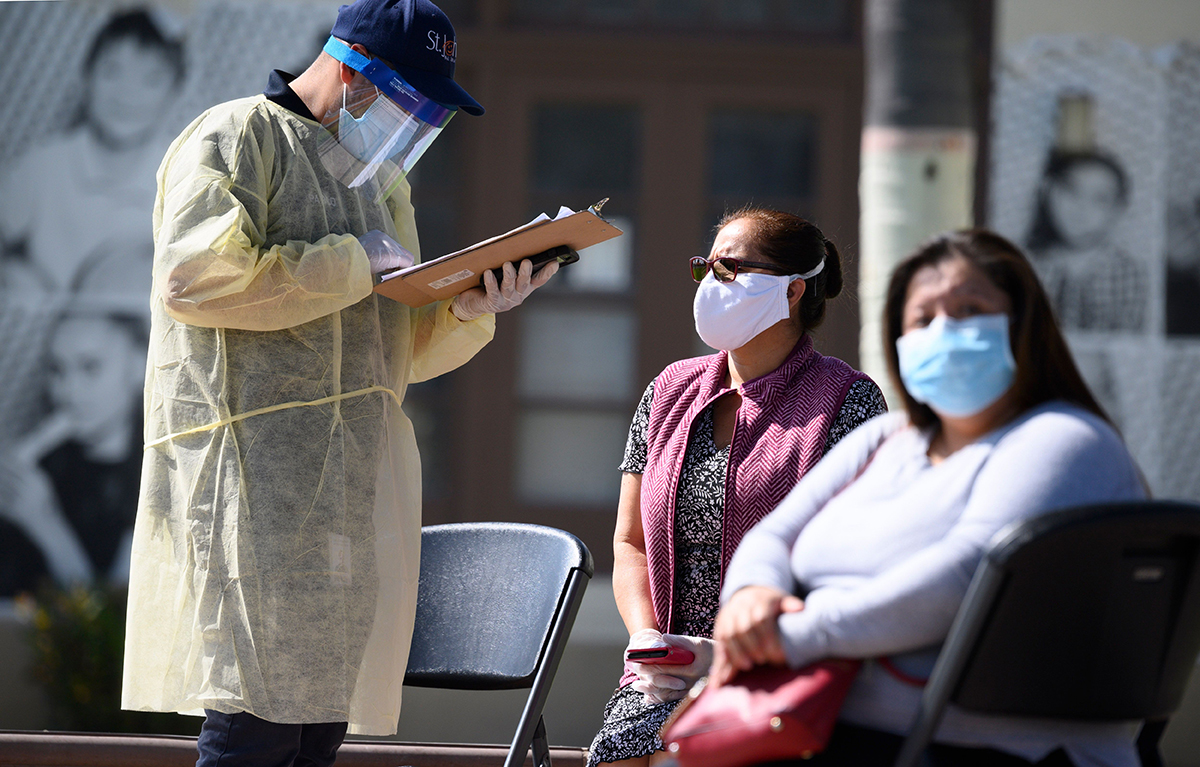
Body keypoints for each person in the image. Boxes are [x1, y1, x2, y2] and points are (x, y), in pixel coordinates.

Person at [119, 1, 557, 764]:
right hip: (247, 493)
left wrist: (469, 308)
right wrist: (353, 259)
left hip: (345, 503)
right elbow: (194, 278)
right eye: (409, 100)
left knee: (315, 734)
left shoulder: (378, 183)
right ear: (355, 69)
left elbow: (394, 352)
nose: (413, 122)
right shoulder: (234, 138)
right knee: (251, 729)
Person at [713, 230, 1147, 767]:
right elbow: (774, 534)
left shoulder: (1065, 440)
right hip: (807, 721)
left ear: (1024, 326)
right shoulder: (884, 439)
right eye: (923, 319)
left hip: (969, 750)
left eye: (970, 310)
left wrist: (792, 637)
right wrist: (752, 594)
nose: (946, 331)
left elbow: (969, 573)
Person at [587, 208, 887, 767]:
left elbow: (855, 563)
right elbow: (629, 541)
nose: (710, 285)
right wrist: (648, 642)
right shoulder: (668, 391)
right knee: (621, 755)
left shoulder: (851, 400)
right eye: (706, 268)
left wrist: (735, 650)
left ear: (793, 291)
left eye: (730, 270)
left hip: (780, 670)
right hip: (661, 675)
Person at [0, 8, 183, 290]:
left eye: (151, 80)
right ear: (85, 77)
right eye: (112, 71)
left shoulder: (180, 176)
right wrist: (16, 272)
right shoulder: (44, 164)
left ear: (174, 94)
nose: (127, 92)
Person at [0, 307, 147, 595]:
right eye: (57, 369)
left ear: (140, 364)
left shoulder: (158, 473)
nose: (66, 391)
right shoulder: (47, 461)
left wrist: (44, 523)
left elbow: (110, 620)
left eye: (90, 367)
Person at [1025, 149, 1145, 332]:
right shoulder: (1026, 265)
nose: (1081, 207)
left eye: (1100, 199)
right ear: (1049, 191)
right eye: (1071, 191)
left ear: (1117, 210)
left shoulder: (1128, 274)